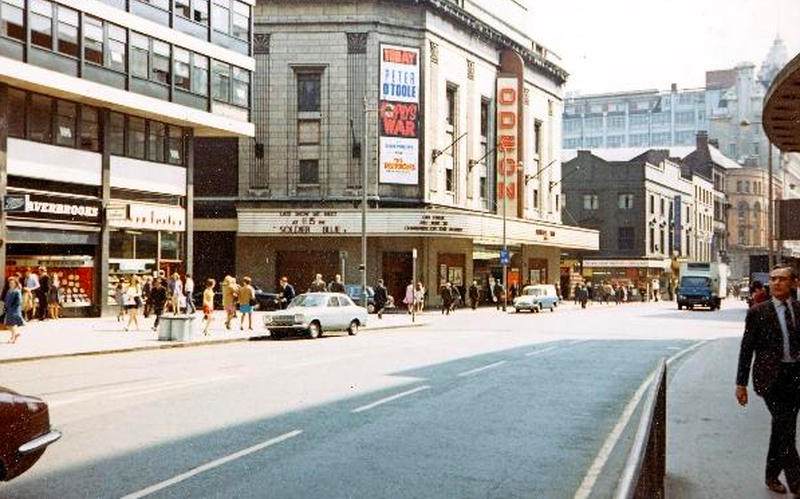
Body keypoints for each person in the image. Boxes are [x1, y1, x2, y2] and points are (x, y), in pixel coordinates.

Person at [737, 265, 800, 495]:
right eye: (773, 279)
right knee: (784, 427)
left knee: (783, 427)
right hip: (770, 379)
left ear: (794, 283)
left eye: (782, 279)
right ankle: (797, 481)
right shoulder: (758, 312)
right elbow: (746, 349)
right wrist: (740, 383)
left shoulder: (799, 309)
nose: (776, 283)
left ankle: (771, 476)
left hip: (795, 376)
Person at [4, 276, 24, 344]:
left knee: (12, 324)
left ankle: (13, 337)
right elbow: (6, 300)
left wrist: (13, 307)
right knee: (8, 325)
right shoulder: (9, 291)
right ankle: (15, 335)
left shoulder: (17, 291)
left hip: (14, 310)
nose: (11, 284)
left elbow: (19, 301)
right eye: (10, 283)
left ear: (15, 284)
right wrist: (5, 307)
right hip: (9, 310)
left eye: (12, 283)